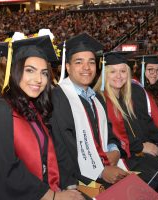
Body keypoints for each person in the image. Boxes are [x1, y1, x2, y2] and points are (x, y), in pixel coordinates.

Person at [0, 36, 84, 200]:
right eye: (30, 70)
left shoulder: (36, 110)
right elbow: (1, 170)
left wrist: (68, 185)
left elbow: (53, 154)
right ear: (14, 71)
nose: (39, 80)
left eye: (44, 73)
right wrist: (51, 196)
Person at [50, 33, 128, 187]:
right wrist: (101, 170)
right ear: (68, 67)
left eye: (91, 62)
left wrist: (115, 151)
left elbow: (109, 133)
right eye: (79, 62)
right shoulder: (58, 98)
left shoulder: (96, 98)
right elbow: (64, 148)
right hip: (78, 178)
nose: (86, 67)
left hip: (106, 166)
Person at [94, 52, 158, 189]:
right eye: (113, 72)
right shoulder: (100, 100)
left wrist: (144, 145)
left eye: (122, 71)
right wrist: (140, 147)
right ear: (105, 74)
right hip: (117, 159)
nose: (119, 76)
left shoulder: (125, 98)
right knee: (156, 176)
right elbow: (110, 136)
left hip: (133, 153)